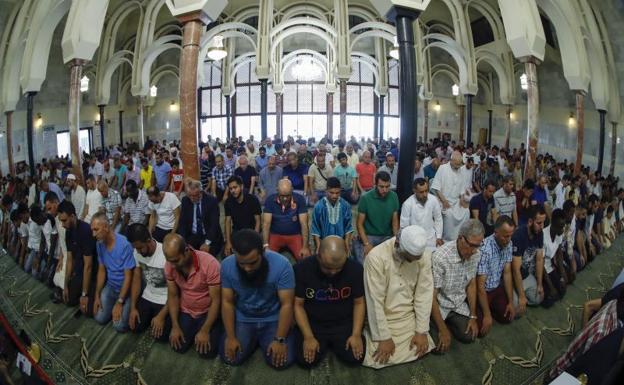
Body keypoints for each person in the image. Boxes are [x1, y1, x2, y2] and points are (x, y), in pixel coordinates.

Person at [219, 229, 296, 369]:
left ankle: (260, 341)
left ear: (263, 251)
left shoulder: (283, 265)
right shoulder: (226, 266)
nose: (247, 268)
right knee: (231, 358)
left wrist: (279, 339)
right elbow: (227, 302)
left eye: (253, 262)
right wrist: (231, 337)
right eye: (242, 263)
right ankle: (254, 341)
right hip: (244, 318)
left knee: (282, 361)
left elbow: (287, 304)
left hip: (273, 318)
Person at [362, 225, 434, 369]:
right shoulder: (376, 257)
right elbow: (374, 300)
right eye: (409, 259)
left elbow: (424, 294)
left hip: (408, 318)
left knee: (421, 345)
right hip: (384, 319)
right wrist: (384, 337)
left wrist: (421, 331)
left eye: (416, 259)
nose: (412, 262)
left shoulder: (423, 256)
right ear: (398, 245)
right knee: (376, 355)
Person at [294, 236, 365, 367]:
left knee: (354, 359)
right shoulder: (301, 269)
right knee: (305, 362)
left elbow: (359, 303)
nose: (333, 272)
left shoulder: (356, 269)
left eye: (338, 269)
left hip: (343, 323)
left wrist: (356, 334)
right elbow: (298, 305)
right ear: (318, 255)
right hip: (314, 323)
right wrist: (308, 337)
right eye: (327, 268)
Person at [162, 233, 222, 356]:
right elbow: (173, 296)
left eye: (176, 260)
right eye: (169, 261)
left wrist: (205, 330)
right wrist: (175, 325)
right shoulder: (170, 265)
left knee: (208, 352)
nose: (172, 265)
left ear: (186, 251)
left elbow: (216, 300)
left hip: (206, 311)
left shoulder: (210, 264)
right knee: (178, 346)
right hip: (186, 310)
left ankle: (215, 326)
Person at [430, 219, 484, 352]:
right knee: (437, 347)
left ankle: (449, 324)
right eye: (471, 245)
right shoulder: (440, 257)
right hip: (440, 305)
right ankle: (440, 324)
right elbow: (431, 297)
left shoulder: (476, 254)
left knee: (470, 336)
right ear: (461, 239)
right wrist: (442, 329)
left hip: (458, 305)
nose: (473, 251)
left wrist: (472, 316)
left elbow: (471, 284)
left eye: (478, 245)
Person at [91, 212, 136, 332]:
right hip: (111, 286)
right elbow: (101, 270)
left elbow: (128, 277)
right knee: (99, 318)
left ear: (106, 227)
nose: (93, 234)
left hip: (126, 290)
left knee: (119, 326)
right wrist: (97, 295)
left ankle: (126, 305)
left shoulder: (124, 244)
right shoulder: (99, 244)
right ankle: (113, 308)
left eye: (96, 230)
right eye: (92, 230)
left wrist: (120, 302)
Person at [126, 223, 171, 340]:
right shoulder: (137, 252)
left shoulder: (166, 254)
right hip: (148, 296)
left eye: (140, 248)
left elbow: (176, 291)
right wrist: (133, 308)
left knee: (161, 336)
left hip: (165, 299)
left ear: (149, 240)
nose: (138, 251)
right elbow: (136, 279)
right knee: (133, 326)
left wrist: (161, 316)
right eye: (136, 248)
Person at [476, 216, 516, 336]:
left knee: (508, 316)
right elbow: (480, 287)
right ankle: (486, 310)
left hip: (496, 287)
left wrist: (510, 301)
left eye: (510, 235)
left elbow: (507, 273)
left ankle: (492, 308)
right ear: (496, 232)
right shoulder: (485, 249)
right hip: (484, 291)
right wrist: (487, 315)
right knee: (480, 330)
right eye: (505, 236)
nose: (508, 240)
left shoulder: (509, 244)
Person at [58, 200, 98, 315]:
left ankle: (87, 292)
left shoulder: (85, 231)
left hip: (91, 274)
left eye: (64, 220)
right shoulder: (68, 232)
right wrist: (66, 285)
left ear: (73, 216)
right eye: (61, 221)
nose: (62, 224)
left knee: (88, 311)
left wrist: (84, 295)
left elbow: (88, 266)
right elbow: (70, 260)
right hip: (80, 272)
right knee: (68, 299)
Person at [354, 171, 399, 264]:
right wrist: (366, 243)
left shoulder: (394, 196)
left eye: (387, 186)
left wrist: (396, 239)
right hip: (370, 235)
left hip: (387, 236)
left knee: (394, 261)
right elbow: (359, 224)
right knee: (365, 263)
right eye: (381, 187)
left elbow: (395, 222)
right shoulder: (365, 198)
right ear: (375, 185)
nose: (385, 190)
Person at [262, 179, 310, 260]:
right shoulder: (270, 200)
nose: (285, 199)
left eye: (287, 195)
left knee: (305, 258)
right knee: (266, 259)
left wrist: (305, 247)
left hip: (294, 235)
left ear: (292, 190)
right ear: (277, 191)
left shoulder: (300, 199)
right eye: (282, 196)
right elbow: (266, 224)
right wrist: (266, 245)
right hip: (275, 235)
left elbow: (304, 224)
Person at [511, 204, 547, 314]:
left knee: (539, 298)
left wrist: (540, 284)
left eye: (543, 222)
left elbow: (539, 260)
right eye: (539, 223)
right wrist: (522, 296)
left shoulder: (540, 234)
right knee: (517, 311)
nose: (542, 226)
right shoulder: (518, 235)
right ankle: (517, 295)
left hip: (526, 274)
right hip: (514, 276)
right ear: (530, 221)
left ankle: (522, 296)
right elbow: (515, 269)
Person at [177, 179, 223, 256]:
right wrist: (184, 242)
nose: (191, 199)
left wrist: (207, 243)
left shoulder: (212, 201)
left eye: (194, 196)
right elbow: (182, 223)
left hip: (209, 235)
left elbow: (214, 224)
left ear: (201, 192)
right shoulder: (185, 200)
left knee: (206, 257)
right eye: (189, 195)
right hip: (192, 235)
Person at [431, 151, 470, 241]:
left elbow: (462, 192)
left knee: (466, 211)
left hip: (456, 201)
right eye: (456, 164)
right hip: (442, 200)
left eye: (459, 164)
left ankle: (460, 237)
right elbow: (436, 188)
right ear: (451, 161)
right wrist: (444, 201)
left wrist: (463, 202)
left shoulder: (462, 171)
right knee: (449, 215)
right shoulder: (443, 168)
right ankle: (447, 239)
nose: (458, 166)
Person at [310, 177, 353, 254]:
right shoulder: (319, 206)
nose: (334, 196)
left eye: (337, 193)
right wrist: (319, 247)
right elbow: (315, 228)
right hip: (324, 244)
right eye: (331, 192)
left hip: (341, 243)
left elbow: (348, 227)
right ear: (326, 191)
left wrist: (346, 245)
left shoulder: (345, 206)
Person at [400, 178, 443, 248]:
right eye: (421, 192)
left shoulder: (433, 200)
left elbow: (438, 219)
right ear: (414, 191)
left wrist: (438, 236)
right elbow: (404, 227)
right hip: (414, 241)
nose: (425, 194)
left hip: (431, 240)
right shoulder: (407, 204)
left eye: (426, 191)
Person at [224, 176, 261, 256]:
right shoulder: (228, 202)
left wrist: (255, 238)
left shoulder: (253, 199)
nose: (233, 191)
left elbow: (258, 221)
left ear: (241, 186)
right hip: (237, 231)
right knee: (227, 253)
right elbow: (227, 222)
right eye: (230, 189)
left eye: (235, 187)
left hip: (251, 231)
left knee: (252, 253)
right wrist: (228, 242)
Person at [541, 208, 567, 307]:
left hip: (550, 267)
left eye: (563, 226)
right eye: (560, 227)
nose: (562, 230)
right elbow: (541, 265)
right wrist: (551, 286)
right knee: (549, 301)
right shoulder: (543, 236)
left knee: (562, 289)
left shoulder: (558, 234)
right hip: (541, 270)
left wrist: (562, 275)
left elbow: (559, 255)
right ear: (552, 224)